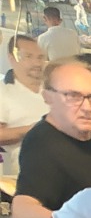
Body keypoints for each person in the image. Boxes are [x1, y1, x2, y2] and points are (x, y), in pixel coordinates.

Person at [11, 59, 91, 218]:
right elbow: (22, 209)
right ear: (47, 97)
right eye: (73, 97)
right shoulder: (42, 142)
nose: (88, 107)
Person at [0, 34, 47, 179]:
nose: (36, 63)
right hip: (20, 176)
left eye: (40, 57)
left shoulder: (53, 90)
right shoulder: (4, 92)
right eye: (28, 56)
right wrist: (33, 129)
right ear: (12, 58)